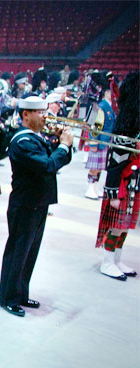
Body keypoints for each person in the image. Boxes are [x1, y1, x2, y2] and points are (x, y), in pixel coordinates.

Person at [0, 96, 73, 317]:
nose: (45, 116)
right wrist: (63, 146)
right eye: (40, 112)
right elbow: (48, 165)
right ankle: (8, 298)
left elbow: (59, 160)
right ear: (26, 115)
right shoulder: (23, 141)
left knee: (30, 253)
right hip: (25, 205)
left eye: (45, 111)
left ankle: (21, 293)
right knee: (18, 252)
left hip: (38, 203)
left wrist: (63, 144)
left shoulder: (36, 138)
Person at [95, 71, 139, 281]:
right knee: (116, 225)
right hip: (121, 184)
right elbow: (114, 164)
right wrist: (112, 193)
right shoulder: (126, 127)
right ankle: (107, 261)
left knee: (125, 225)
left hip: (134, 183)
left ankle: (117, 260)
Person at [85, 84, 116, 200]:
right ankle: (90, 187)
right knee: (94, 166)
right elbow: (94, 126)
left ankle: (95, 186)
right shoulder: (101, 106)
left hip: (106, 141)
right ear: (106, 92)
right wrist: (93, 142)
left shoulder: (110, 106)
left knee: (100, 167)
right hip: (99, 141)